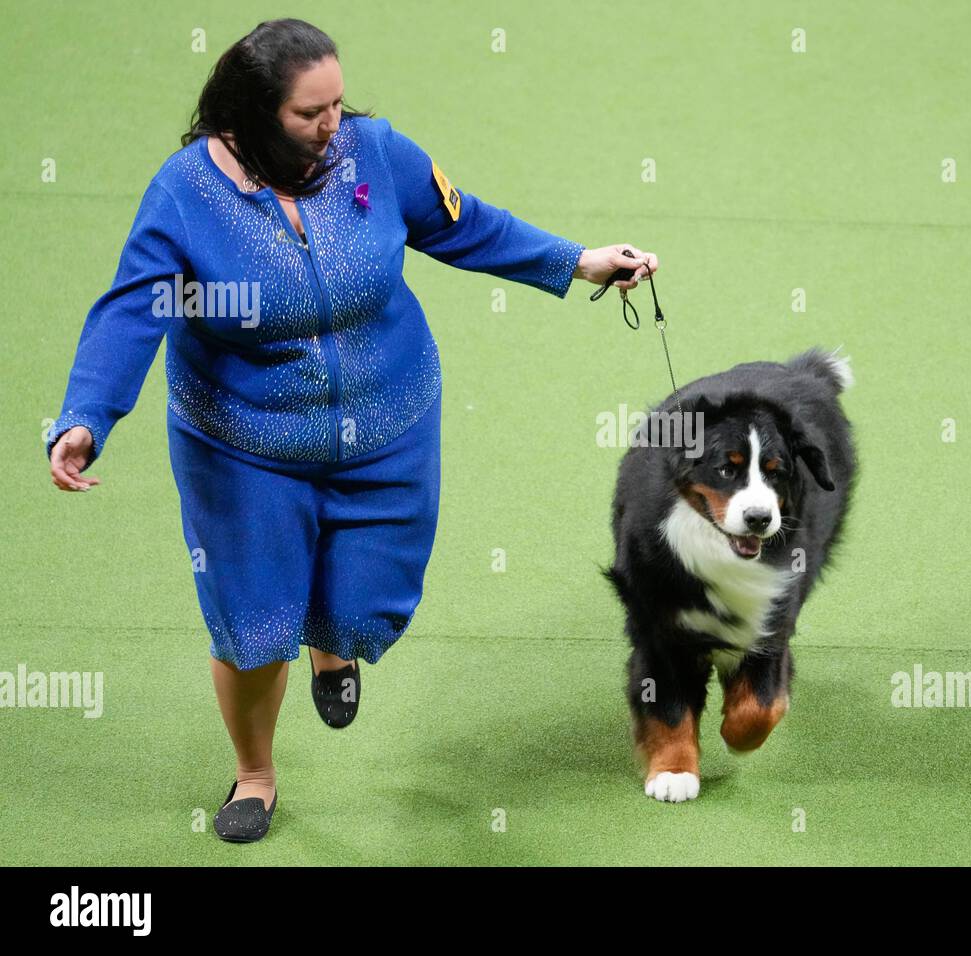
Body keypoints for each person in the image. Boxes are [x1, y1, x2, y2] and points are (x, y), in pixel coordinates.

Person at [44, 18, 658, 843]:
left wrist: (577, 260)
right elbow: (134, 309)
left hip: (388, 422)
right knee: (256, 626)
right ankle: (255, 773)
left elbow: (461, 222)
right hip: (244, 444)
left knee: (365, 610)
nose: (334, 124)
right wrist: (88, 415)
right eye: (310, 113)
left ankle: (332, 646)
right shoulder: (186, 193)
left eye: (337, 102)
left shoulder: (374, 151)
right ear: (251, 115)